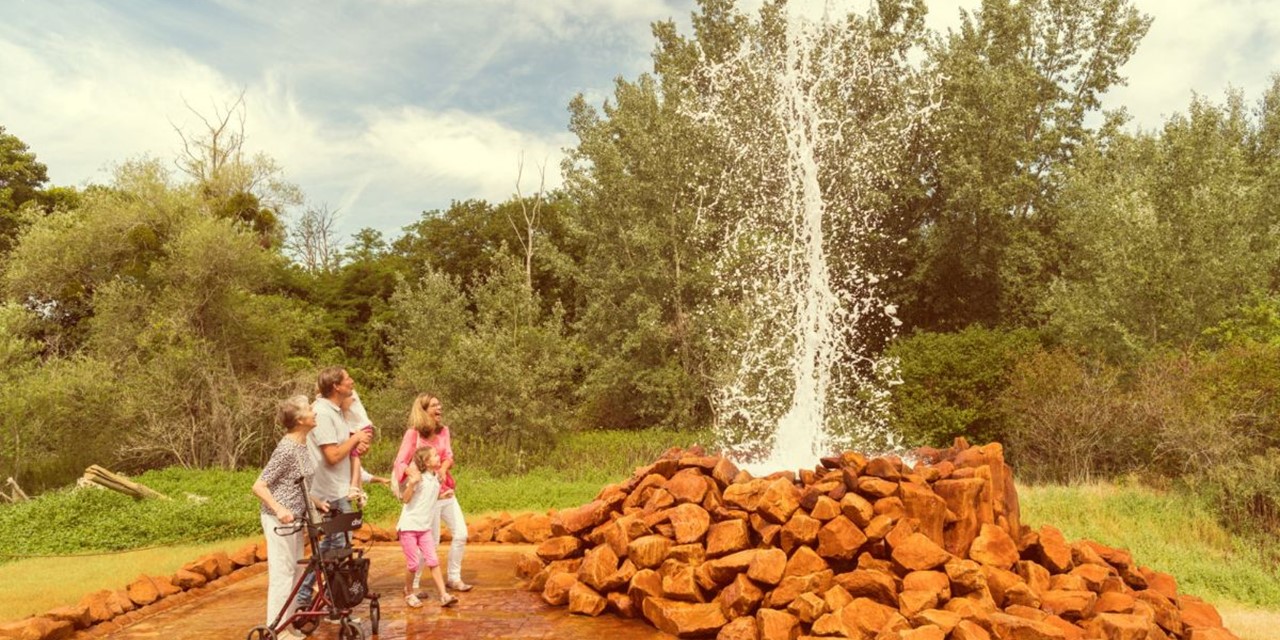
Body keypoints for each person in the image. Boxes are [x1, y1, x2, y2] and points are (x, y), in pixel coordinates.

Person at [295, 366, 373, 611]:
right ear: (336, 386)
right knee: (333, 550)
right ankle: (313, 601)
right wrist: (355, 438)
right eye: (347, 378)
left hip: (339, 489)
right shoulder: (323, 413)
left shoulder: (337, 412)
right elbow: (332, 456)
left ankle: (326, 601)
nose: (352, 381)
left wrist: (356, 445)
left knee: (336, 549)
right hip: (328, 491)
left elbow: (344, 449)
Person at [252, 395, 328, 640]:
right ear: (299, 420)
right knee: (283, 574)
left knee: (296, 573)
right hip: (279, 522)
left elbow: (298, 484)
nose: (314, 412)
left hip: (296, 520)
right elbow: (259, 486)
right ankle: (276, 629)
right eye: (309, 410)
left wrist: (317, 503)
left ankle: (289, 624)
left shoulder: (302, 445)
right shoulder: (286, 448)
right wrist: (279, 509)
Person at [392, 393, 472, 593]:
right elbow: (400, 462)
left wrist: (443, 468)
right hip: (426, 495)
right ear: (423, 410)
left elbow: (449, 456)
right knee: (431, 541)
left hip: (445, 490)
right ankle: (414, 585)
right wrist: (413, 474)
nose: (439, 408)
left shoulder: (444, 431)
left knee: (461, 533)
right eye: (434, 405)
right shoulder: (413, 434)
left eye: (439, 404)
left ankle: (454, 578)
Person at [397, 447, 457, 608]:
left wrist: (441, 496)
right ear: (426, 462)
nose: (439, 457)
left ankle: (444, 595)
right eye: (435, 455)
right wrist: (411, 484)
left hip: (424, 529)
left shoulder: (435, 478)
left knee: (433, 561)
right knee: (413, 564)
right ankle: (409, 592)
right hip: (409, 527)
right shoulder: (419, 479)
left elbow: (427, 498)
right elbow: (405, 499)